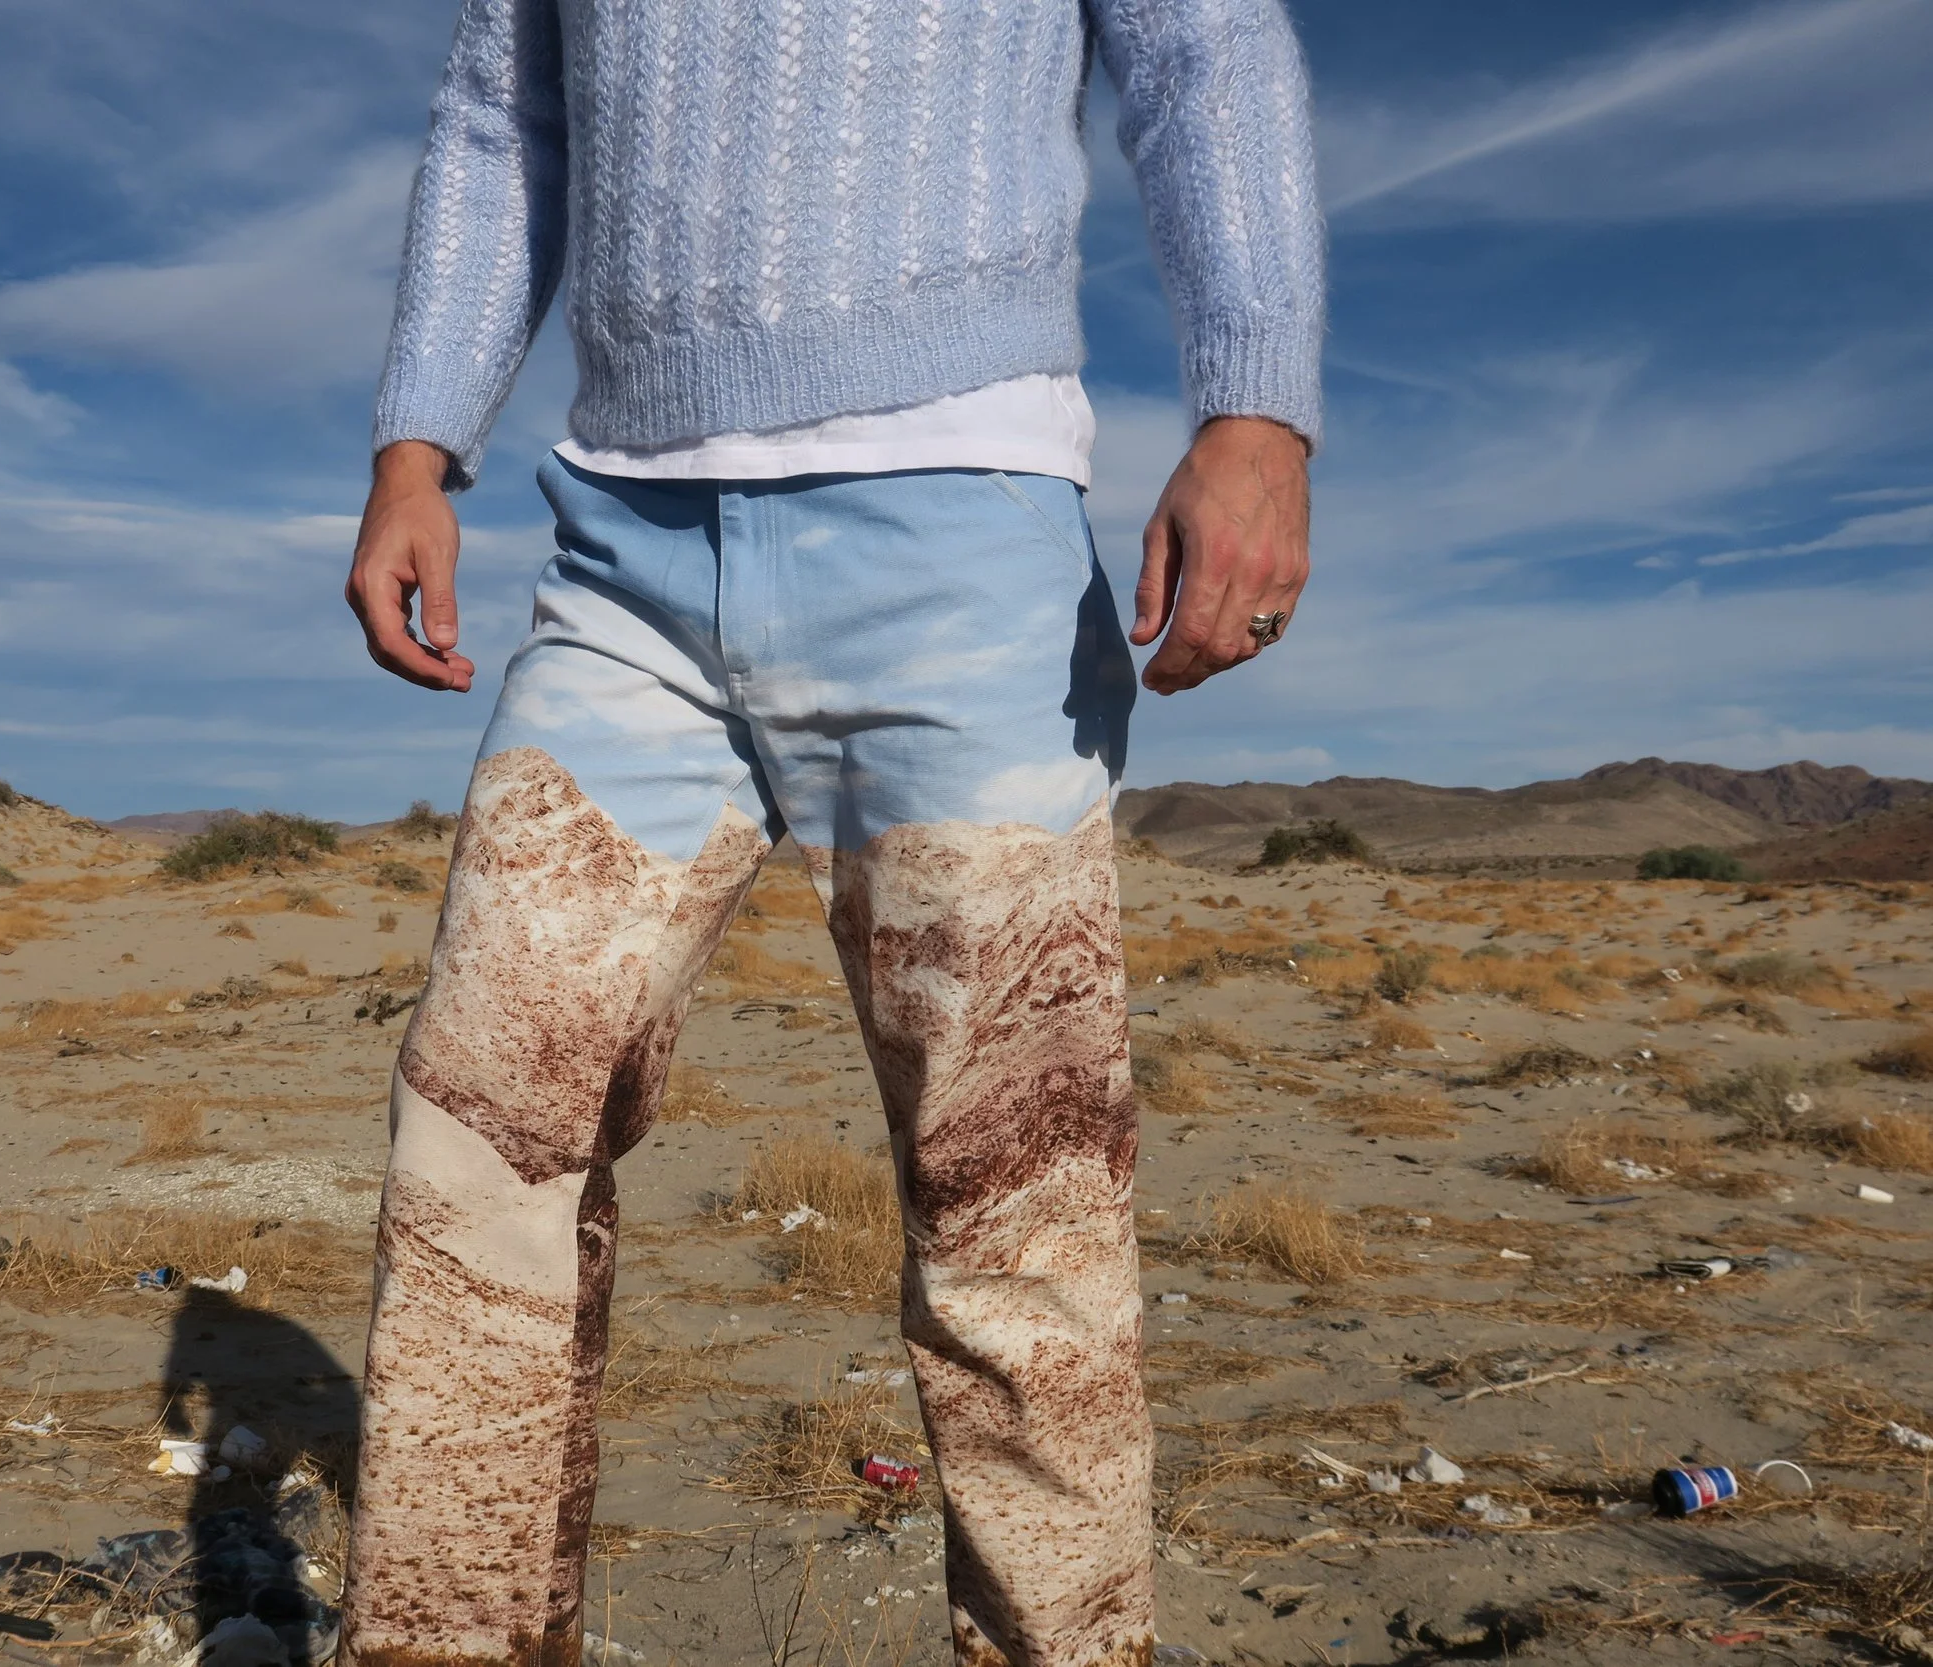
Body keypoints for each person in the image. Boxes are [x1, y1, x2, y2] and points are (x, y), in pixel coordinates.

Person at [337, 0, 1321, 1660]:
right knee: (476, 1140)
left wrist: (1258, 410)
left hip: (959, 535)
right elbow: (504, 114)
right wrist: (415, 444)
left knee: (1018, 1203)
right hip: (619, 559)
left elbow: (1203, 46)